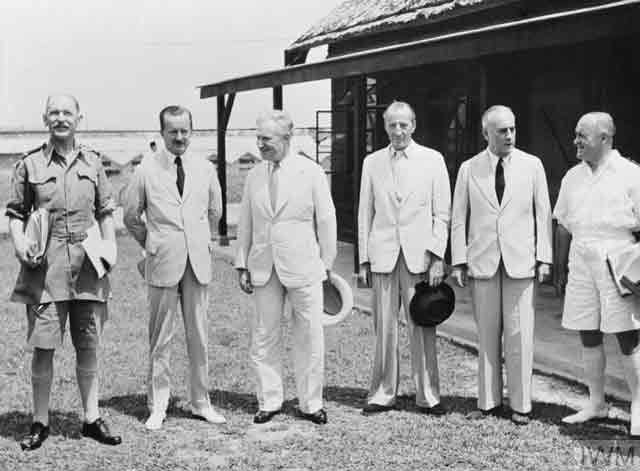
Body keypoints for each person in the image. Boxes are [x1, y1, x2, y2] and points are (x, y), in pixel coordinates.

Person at [6, 94, 122, 450]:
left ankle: (90, 419)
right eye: (54, 112)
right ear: (45, 118)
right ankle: (40, 421)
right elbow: (15, 213)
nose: (60, 118)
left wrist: (110, 247)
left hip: (88, 267)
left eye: (66, 112)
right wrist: (20, 243)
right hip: (46, 268)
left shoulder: (93, 161)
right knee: (44, 348)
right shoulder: (30, 165)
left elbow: (104, 211)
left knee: (88, 345)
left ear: (79, 118)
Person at [122, 105, 224, 430]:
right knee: (160, 338)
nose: (179, 137)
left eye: (184, 131)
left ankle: (201, 402)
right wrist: (154, 243)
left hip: (197, 263)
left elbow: (215, 210)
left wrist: (198, 238)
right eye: (173, 131)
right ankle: (158, 404)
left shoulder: (205, 168)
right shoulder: (146, 170)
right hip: (162, 262)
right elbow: (130, 216)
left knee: (200, 336)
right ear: (162, 133)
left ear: (191, 131)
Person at [450, 105, 552, 425]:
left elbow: (542, 214)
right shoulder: (469, 168)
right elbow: (458, 218)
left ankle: (521, 405)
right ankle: (488, 402)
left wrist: (544, 258)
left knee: (520, 335)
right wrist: (459, 260)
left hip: (521, 262)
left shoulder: (532, 165)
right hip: (483, 262)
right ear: (485, 134)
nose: (509, 135)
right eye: (501, 131)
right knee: (487, 335)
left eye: (512, 129)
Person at [235, 109, 337, 425]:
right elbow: (246, 224)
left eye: (266, 139)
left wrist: (326, 265)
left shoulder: (311, 172)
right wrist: (242, 263)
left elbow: (326, 220)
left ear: (286, 138)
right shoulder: (254, 175)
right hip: (264, 268)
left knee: (309, 335)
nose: (260, 145)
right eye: (258, 138)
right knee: (264, 335)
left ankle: (311, 403)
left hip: (304, 266)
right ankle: (269, 401)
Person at [357, 101, 450, 416]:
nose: (398, 131)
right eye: (392, 125)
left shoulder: (432, 160)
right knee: (383, 327)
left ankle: (428, 395)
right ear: (385, 126)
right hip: (383, 254)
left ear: (414, 125)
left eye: (403, 125)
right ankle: (383, 393)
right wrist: (363, 260)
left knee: (421, 326)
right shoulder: (372, 163)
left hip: (419, 257)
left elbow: (442, 214)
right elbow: (364, 213)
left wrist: (437, 257)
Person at [554, 112, 640, 437]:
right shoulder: (572, 177)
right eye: (575, 134)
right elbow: (562, 224)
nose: (575, 141)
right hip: (581, 258)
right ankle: (596, 403)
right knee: (587, 330)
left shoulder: (631, 174)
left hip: (618, 257)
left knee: (626, 334)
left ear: (604, 138)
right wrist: (559, 267)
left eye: (582, 136)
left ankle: (638, 406)